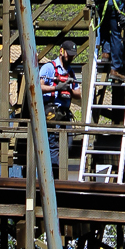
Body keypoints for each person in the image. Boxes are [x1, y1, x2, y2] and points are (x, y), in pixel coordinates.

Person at [39, 40, 82, 175]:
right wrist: (56, 87)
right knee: (53, 145)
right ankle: (54, 177)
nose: (70, 57)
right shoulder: (49, 68)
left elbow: (78, 94)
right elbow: (38, 87)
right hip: (51, 113)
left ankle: (57, 174)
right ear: (61, 51)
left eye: (73, 55)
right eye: (68, 54)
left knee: (66, 146)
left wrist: (69, 88)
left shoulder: (70, 72)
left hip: (65, 115)